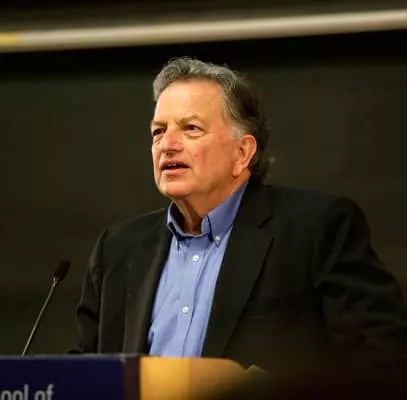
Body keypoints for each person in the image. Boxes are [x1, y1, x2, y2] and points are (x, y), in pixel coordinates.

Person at [74, 57, 407, 371]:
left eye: (191, 128)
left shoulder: (316, 229)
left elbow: (382, 353)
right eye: (158, 131)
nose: (167, 144)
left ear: (242, 152)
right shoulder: (118, 249)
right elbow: (81, 374)